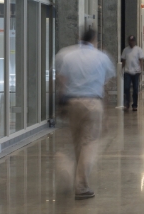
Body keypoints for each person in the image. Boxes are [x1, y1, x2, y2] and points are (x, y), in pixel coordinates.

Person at [54, 28, 115, 200]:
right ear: (94, 40)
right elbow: (106, 86)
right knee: (89, 144)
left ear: (80, 38)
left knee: (77, 144)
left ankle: (68, 171)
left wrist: (61, 103)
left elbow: (61, 81)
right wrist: (107, 112)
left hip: (73, 103)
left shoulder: (67, 55)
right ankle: (81, 186)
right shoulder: (102, 57)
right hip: (93, 103)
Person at [120, 34, 144, 111]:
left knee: (135, 89)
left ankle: (135, 105)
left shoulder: (138, 49)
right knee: (126, 88)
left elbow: (141, 60)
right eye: (130, 41)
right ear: (128, 41)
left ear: (135, 41)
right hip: (127, 71)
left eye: (133, 41)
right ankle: (127, 103)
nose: (131, 42)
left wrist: (141, 70)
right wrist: (121, 69)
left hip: (136, 72)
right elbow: (123, 60)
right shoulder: (125, 50)